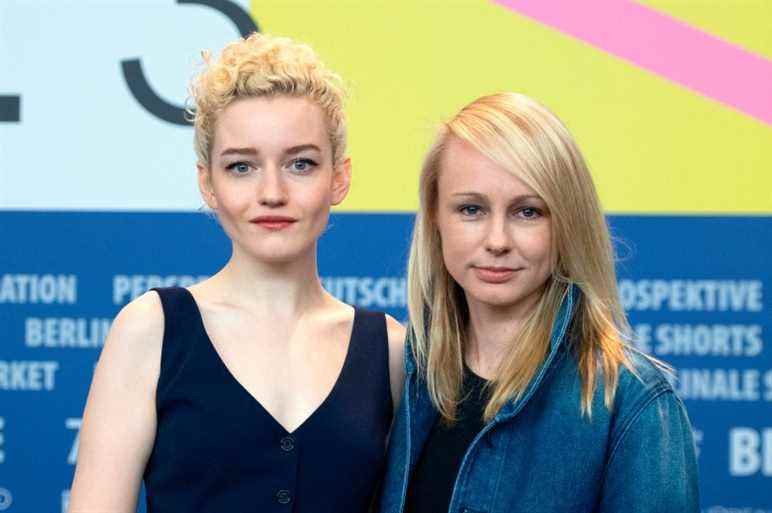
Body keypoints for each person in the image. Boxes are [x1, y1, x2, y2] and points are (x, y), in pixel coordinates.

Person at [68, 33, 405, 513]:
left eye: (301, 164)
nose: (272, 191)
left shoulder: (390, 350)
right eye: (242, 166)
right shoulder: (153, 330)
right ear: (208, 183)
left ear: (340, 178)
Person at [377, 93, 699, 513]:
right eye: (471, 209)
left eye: (527, 212)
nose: (497, 241)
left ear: (567, 223)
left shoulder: (629, 402)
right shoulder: (403, 378)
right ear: (436, 219)